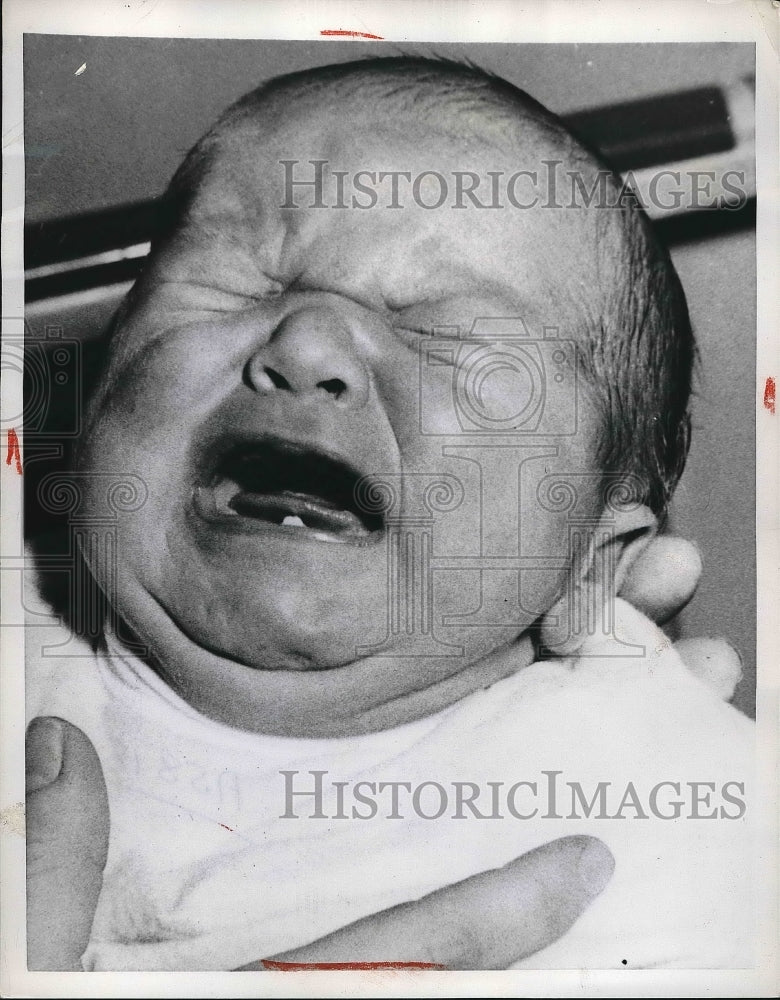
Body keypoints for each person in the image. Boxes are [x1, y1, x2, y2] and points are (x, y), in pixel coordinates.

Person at [26, 56, 752, 971]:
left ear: (591, 568)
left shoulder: (661, 794)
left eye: (444, 335)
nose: (310, 343)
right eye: (240, 285)